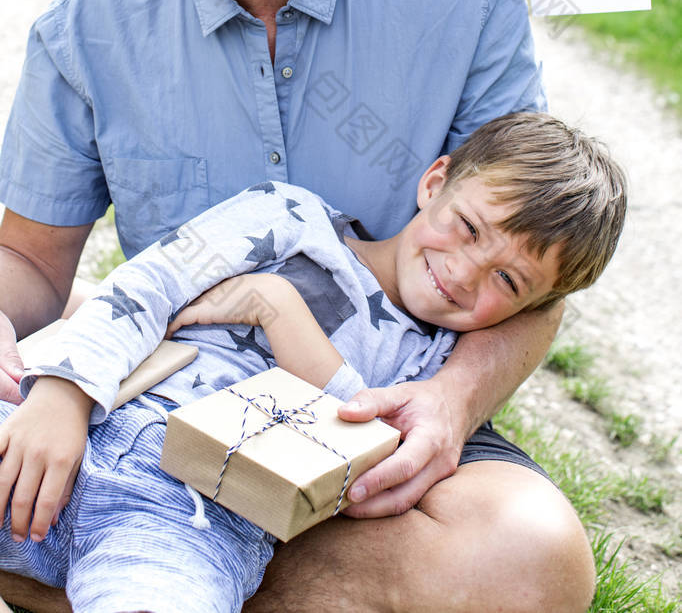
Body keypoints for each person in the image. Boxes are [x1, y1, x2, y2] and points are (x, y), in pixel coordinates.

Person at [0, 0, 588, 613]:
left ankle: (113, 557)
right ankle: (134, 544)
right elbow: (28, 260)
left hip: (376, 415)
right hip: (160, 396)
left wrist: (446, 405)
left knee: (530, 558)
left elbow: (530, 260)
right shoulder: (91, 24)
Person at [0, 112, 627, 613]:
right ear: (435, 182)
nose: (462, 273)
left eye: (509, 281)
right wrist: (62, 395)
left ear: (535, 308)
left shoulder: (438, 372)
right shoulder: (289, 217)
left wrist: (282, 313)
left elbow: (359, 447)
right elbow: (151, 282)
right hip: (72, 423)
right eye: (467, 227)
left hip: (198, 515)